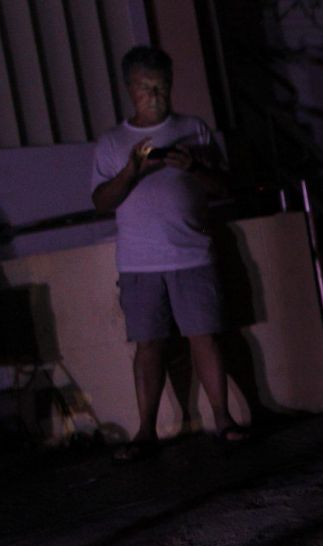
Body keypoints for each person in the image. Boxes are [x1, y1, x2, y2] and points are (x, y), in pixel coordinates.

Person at [91, 46, 245, 461]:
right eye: (145, 87)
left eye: (161, 85)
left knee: (205, 339)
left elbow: (224, 188)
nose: (155, 94)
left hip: (191, 253)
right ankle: (146, 432)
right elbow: (101, 202)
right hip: (139, 261)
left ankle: (223, 419)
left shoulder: (193, 129)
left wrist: (193, 167)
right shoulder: (112, 142)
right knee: (148, 345)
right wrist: (131, 170)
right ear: (129, 89)